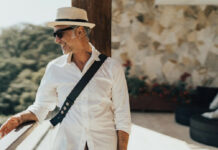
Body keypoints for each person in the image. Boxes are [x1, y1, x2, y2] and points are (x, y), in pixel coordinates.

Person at [0, 7, 131, 150]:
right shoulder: (54, 68)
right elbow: (41, 106)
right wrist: (18, 119)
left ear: (80, 31)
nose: (56, 40)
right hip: (67, 145)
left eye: (60, 34)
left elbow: (122, 115)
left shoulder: (112, 68)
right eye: (54, 35)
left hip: (104, 145)